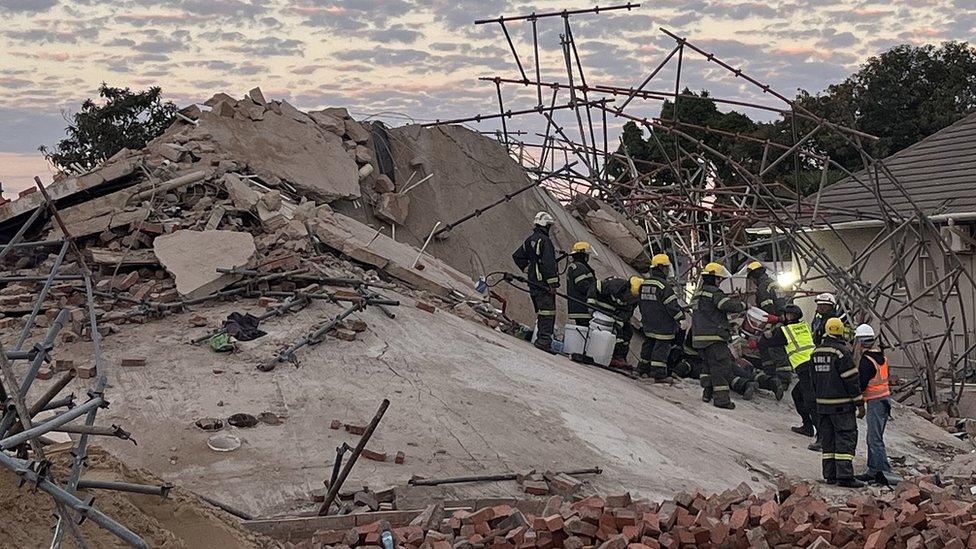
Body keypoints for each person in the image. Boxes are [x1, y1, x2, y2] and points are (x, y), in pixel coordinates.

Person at [810, 317, 865, 488]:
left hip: (823, 406)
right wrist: (859, 403)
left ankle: (830, 475)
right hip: (842, 406)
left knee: (828, 440)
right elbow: (851, 379)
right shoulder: (842, 352)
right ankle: (845, 477)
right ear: (841, 331)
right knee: (845, 438)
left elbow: (812, 380)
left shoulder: (816, 352)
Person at [691, 262, 747, 410]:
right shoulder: (714, 293)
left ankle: (707, 393)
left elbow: (708, 310)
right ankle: (722, 400)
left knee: (707, 367)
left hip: (699, 338)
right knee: (720, 368)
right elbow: (726, 306)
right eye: (719, 279)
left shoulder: (698, 294)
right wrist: (741, 304)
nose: (720, 282)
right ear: (715, 278)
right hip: (714, 337)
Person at [754, 304, 815, 425]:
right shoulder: (804, 326)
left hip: (804, 368)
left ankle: (819, 433)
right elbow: (789, 321)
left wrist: (757, 341)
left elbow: (769, 342)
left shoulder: (785, 331)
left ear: (789, 316)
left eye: (785, 315)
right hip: (812, 365)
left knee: (809, 401)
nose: (783, 317)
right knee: (798, 395)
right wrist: (777, 319)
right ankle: (808, 426)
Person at [512, 212, 559, 353]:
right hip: (543, 283)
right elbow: (549, 265)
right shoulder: (545, 241)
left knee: (541, 311)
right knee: (548, 312)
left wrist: (529, 270)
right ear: (545, 225)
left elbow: (517, 256)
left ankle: (541, 339)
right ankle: (543, 341)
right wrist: (553, 284)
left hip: (533, 282)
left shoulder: (530, 240)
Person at [637, 254, 685, 380]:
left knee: (648, 346)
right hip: (663, 325)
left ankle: (642, 370)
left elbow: (641, 304)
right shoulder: (664, 286)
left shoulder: (644, 284)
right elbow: (672, 307)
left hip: (648, 322)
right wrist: (681, 318)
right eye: (666, 267)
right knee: (661, 350)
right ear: (662, 268)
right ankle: (658, 375)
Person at [854, 324, 892, 482]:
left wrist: (858, 402)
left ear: (861, 342)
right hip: (884, 400)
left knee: (874, 439)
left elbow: (862, 385)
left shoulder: (866, 361)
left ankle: (883, 473)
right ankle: (873, 470)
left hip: (875, 402)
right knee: (875, 437)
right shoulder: (882, 358)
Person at [587, 275, 642, 369]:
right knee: (610, 332)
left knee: (626, 332)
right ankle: (608, 354)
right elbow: (595, 286)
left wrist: (620, 321)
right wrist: (591, 304)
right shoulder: (614, 284)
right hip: (601, 309)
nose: (631, 297)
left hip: (616, 314)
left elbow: (628, 312)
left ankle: (619, 356)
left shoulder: (636, 297)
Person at [565, 242, 596, 326]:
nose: (588, 257)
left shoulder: (578, 266)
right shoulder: (578, 267)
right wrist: (596, 290)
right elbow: (583, 286)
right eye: (587, 255)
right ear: (583, 255)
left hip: (580, 307)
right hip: (582, 307)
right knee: (584, 330)